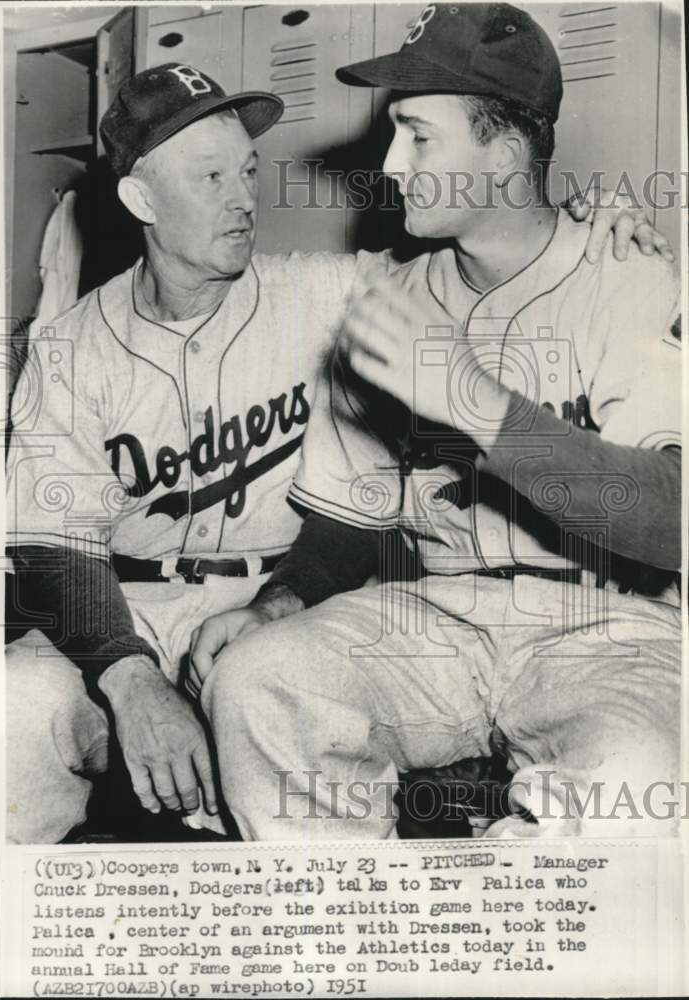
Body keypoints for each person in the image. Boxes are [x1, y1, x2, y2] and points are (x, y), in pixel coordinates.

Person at [5, 52, 667, 843]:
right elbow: (52, 547)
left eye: (248, 171)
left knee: (266, 683)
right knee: (12, 718)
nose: (246, 198)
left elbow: (495, 256)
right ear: (140, 197)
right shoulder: (68, 345)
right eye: (210, 178)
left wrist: (597, 221)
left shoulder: (335, 293)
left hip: (275, 597)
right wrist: (129, 677)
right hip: (120, 610)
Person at [191, 3, 682, 840]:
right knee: (257, 677)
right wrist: (278, 603)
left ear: (504, 151)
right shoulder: (392, 301)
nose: (390, 165)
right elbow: (349, 525)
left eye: (418, 136)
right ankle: (353, 941)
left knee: (635, 779)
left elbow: (671, 519)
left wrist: (471, 403)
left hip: (611, 631)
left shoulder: (627, 273)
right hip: (438, 622)